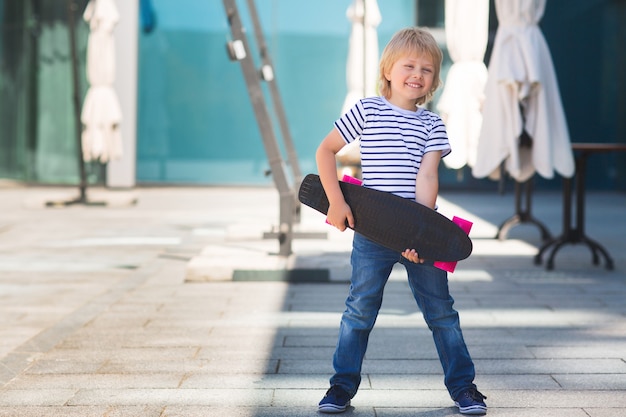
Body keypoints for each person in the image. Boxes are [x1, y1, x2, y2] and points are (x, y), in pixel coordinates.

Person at [315, 27, 487, 415]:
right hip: (372, 232)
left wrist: (421, 235)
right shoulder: (367, 110)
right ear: (388, 70)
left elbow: (427, 178)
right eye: (409, 65)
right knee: (359, 309)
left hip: (419, 234)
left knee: (441, 312)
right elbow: (325, 151)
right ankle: (341, 387)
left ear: (434, 80)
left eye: (427, 69)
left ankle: (464, 388)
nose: (418, 74)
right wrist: (337, 202)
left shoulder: (432, 125)